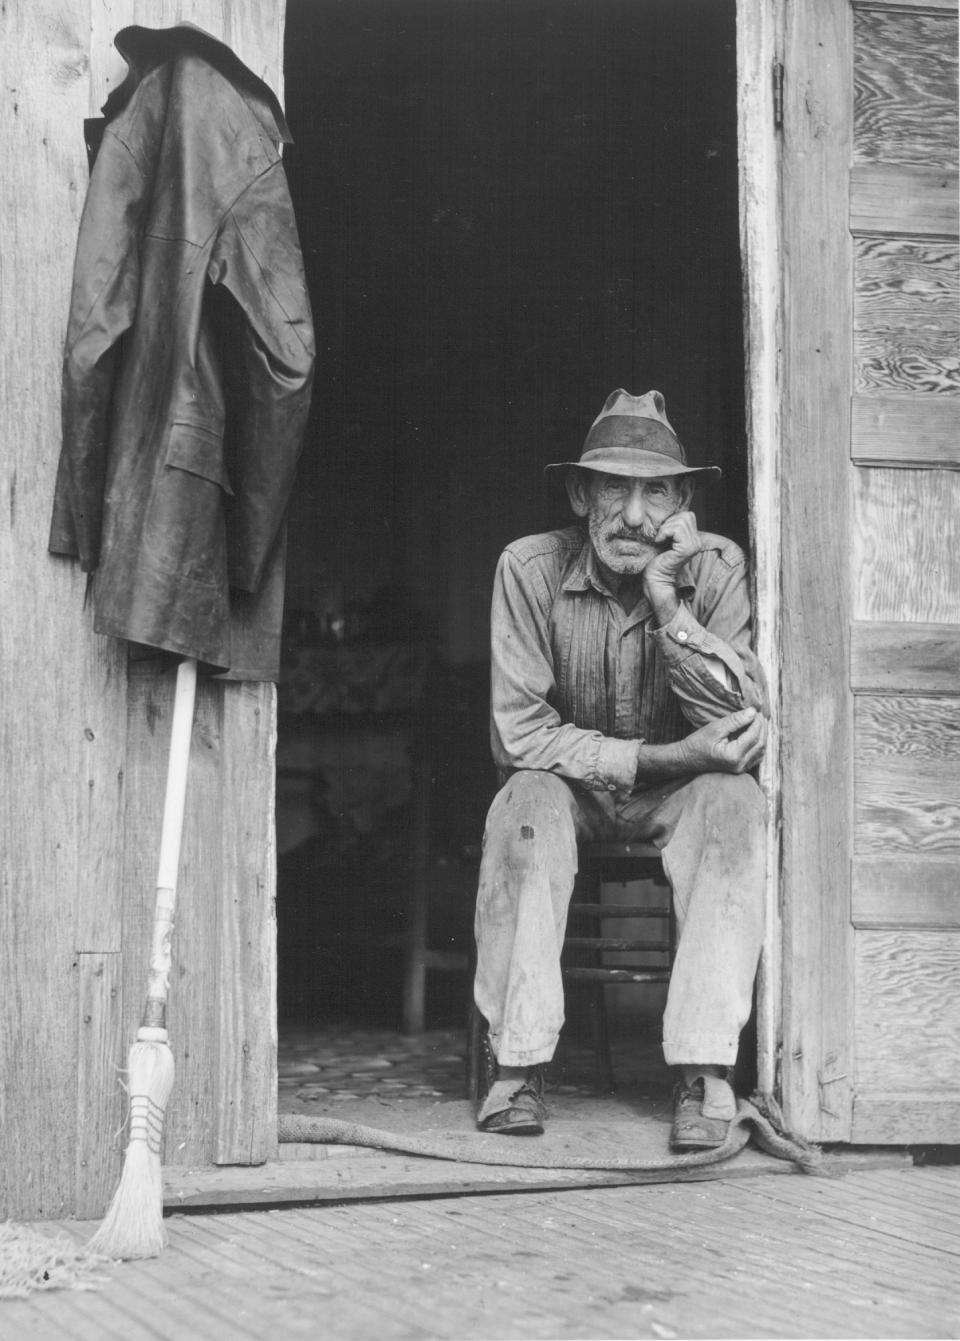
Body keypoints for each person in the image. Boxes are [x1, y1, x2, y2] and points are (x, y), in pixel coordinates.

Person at [473, 389, 768, 1149]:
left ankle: (705, 1070)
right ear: (580, 493)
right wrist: (656, 756)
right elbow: (519, 735)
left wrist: (670, 603)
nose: (635, 516)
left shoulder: (716, 567)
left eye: (657, 491)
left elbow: (735, 726)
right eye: (614, 487)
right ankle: (517, 1065)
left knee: (735, 802)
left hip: (681, 795)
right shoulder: (528, 569)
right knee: (522, 800)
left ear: (683, 501)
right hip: (573, 790)